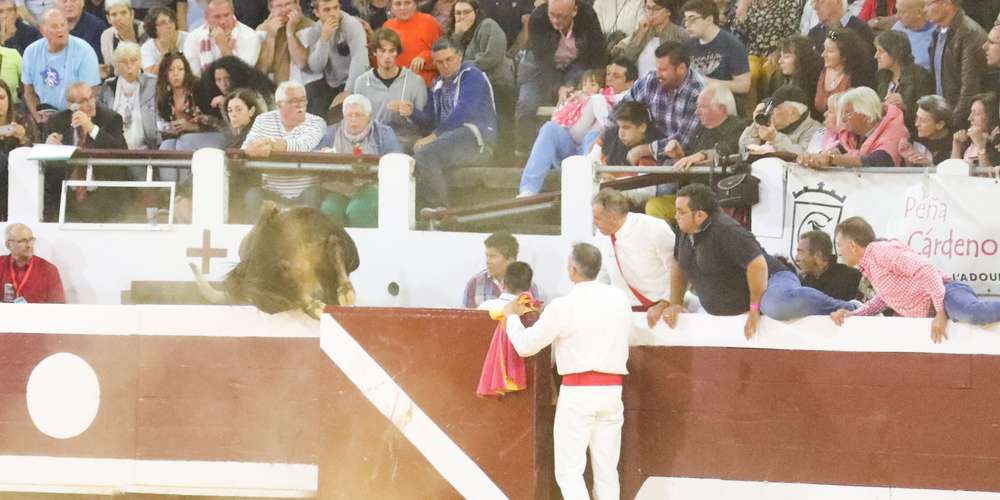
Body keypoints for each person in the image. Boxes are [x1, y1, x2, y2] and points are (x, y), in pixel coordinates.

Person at [502, 242, 649, 500]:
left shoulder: (564, 305)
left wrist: (512, 317)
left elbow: (525, 346)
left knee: (569, 472)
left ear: (572, 269)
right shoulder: (619, 300)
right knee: (606, 471)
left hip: (578, 391)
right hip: (613, 391)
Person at [656, 183, 858, 338]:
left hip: (771, 280)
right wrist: (675, 303)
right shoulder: (685, 231)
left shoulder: (726, 231)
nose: (676, 216)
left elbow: (757, 265)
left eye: (681, 212)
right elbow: (679, 263)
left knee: (777, 305)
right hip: (731, 303)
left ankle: (853, 308)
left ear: (699, 215)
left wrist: (754, 308)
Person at [831, 216, 1000, 343]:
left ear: (852, 245)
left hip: (947, 293)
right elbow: (883, 299)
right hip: (939, 300)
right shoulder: (871, 262)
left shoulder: (879, 251)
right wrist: (854, 314)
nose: (838, 250)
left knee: (974, 313)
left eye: (839, 244)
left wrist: (940, 313)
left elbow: (926, 269)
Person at [517, 58, 638, 197]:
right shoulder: (596, 93)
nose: (609, 79)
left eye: (616, 76)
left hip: (596, 153)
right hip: (571, 147)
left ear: (630, 83)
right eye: (608, 74)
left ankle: (584, 190)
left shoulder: (630, 100)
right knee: (550, 128)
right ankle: (528, 190)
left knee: (595, 134)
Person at [411, 37, 496, 210]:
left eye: (449, 59)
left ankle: (439, 207)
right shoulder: (437, 83)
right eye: (439, 62)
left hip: (475, 138)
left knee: (426, 154)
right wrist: (411, 112)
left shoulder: (472, 75)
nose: (445, 65)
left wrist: (433, 136)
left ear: (460, 56)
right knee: (411, 151)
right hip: (449, 138)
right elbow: (430, 119)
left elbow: (464, 112)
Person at [514, 0, 606, 156]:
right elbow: (543, 60)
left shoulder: (588, 15)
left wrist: (595, 80)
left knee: (576, 99)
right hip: (538, 66)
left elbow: (597, 52)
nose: (556, 20)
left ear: (574, 11)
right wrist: (558, 87)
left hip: (575, 64)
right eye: (552, 15)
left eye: (562, 17)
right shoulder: (538, 17)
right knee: (526, 103)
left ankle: (571, 152)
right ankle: (523, 153)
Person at [44, 82, 130, 222]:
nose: (90, 104)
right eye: (83, 101)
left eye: (91, 98)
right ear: (71, 105)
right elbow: (45, 161)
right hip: (66, 194)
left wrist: (91, 128)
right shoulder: (56, 121)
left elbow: (119, 151)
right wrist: (48, 146)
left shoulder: (111, 118)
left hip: (103, 193)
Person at [242, 80, 327, 215]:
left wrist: (269, 142)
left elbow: (302, 145)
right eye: (294, 101)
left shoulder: (317, 122)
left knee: (314, 195)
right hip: (272, 191)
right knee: (253, 195)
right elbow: (247, 148)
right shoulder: (263, 120)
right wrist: (254, 147)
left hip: (306, 192)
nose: (300, 105)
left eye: (303, 100)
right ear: (279, 105)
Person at [316, 94, 402, 227]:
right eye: (349, 115)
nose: (353, 120)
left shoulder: (384, 133)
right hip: (339, 186)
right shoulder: (331, 133)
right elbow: (315, 157)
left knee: (358, 210)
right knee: (329, 208)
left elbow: (396, 159)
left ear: (369, 116)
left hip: (372, 185)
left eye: (358, 115)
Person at [591, 188, 677, 318]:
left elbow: (679, 270)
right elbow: (602, 274)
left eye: (597, 219)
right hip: (623, 310)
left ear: (613, 218)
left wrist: (666, 302)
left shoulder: (655, 229)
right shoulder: (601, 234)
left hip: (660, 309)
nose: (594, 223)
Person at [447, 0, 513, 159]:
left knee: (502, 125)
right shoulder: (457, 35)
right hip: (474, 88)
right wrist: (457, 35)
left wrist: (465, 66)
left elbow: (492, 56)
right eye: (458, 13)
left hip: (497, 83)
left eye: (466, 12)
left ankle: (504, 160)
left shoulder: (488, 25)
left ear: (476, 12)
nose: (461, 16)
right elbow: (449, 59)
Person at [622, 41, 706, 166]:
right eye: (657, 68)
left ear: (681, 69)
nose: (658, 74)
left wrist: (643, 150)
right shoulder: (652, 79)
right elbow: (625, 105)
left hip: (680, 155)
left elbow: (684, 141)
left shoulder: (697, 93)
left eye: (663, 70)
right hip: (650, 137)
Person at [352, 27, 427, 152]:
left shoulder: (415, 82)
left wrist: (412, 113)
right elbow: (358, 119)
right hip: (373, 140)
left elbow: (425, 123)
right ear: (374, 52)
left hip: (406, 140)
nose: (387, 56)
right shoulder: (362, 82)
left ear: (397, 52)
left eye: (392, 51)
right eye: (382, 51)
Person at [21, 9, 101, 123]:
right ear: (43, 31)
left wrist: (62, 121)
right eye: (54, 26)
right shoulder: (31, 52)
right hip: (44, 120)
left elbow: (91, 93)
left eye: (63, 25)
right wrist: (38, 119)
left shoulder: (84, 51)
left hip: (77, 118)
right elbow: (28, 92)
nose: (60, 30)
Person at [800, 86, 909, 167]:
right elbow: (838, 151)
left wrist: (832, 159)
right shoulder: (854, 134)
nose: (843, 119)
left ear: (867, 116)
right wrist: (818, 157)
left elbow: (877, 162)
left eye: (848, 113)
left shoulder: (894, 132)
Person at [300, 0, 369, 119]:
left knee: (339, 111)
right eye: (327, 10)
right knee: (309, 91)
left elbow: (360, 61)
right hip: (332, 83)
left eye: (335, 8)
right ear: (317, 12)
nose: (333, 13)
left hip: (356, 82)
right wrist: (324, 39)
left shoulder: (352, 25)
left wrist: (348, 91)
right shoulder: (315, 30)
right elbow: (316, 67)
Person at [926, 0, 986, 130]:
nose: (925, 9)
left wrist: (953, 123)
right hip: (945, 115)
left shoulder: (969, 33)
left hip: (963, 121)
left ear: (947, 4)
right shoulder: (937, 32)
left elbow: (970, 87)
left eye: (928, 3)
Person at [729, 0, 801, 111]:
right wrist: (742, 11)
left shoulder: (790, 3)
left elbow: (793, 32)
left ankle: (770, 112)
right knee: (750, 75)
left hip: (778, 52)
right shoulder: (748, 3)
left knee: (772, 73)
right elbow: (737, 36)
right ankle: (751, 117)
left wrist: (779, 51)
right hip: (754, 53)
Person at [660, 81, 747, 171]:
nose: (696, 112)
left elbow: (723, 152)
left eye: (702, 107)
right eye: (697, 106)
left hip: (717, 182)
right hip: (693, 181)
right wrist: (679, 155)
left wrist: (702, 155)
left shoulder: (738, 127)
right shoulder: (700, 128)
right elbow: (690, 162)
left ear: (721, 108)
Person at [681, 0, 751, 98]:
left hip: (723, 102)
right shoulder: (688, 45)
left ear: (709, 20)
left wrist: (707, 82)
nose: (686, 25)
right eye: (685, 20)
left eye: (692, 19)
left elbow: (744, 86)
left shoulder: (732, 44)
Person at [98, 41, 158, 151]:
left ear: (140, 62)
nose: (129, 66)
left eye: (133, 60)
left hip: (147, 149)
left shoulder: (153, 84)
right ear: (117, 65)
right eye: (124, 62)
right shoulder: (108, 87)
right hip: (114, 150)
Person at [156, 51, 218, 151]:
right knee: (165, 147)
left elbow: (217, 123)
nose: (176, 74)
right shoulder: (164, 96)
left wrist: (192, 126)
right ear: (165, 74)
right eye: (171, 70)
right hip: (180, 139)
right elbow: (163, 125)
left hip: (208, 136)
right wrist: (171, 130)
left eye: (180, 69)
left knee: (184, 141)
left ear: (186, 71)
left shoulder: (199, 89)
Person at [874, 30, 933, 133]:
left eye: (881, 51)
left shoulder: (920, 76)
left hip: (912, 136)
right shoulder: (882, 75)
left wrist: (905, 107)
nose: (876, 56)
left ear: (895, 52)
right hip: (886, 133)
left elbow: (930, 117)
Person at [182, 0, 262, 76]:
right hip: (204, 87)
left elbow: (242, 74)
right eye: (217, 17)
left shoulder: (249, 36)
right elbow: (194, 76)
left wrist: (223, 46)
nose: (222, 21)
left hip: (239, 88)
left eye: (226, 15)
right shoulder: (193, 38)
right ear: (206, 17)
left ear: (233, 13)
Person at [463, 231, 540, 308]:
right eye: (487, 256)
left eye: (493, 256)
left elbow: (533, 317)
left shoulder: (528, 286)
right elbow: (464, 318)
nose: (488, 261)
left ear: (510, 260)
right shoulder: (475, 283)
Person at [741, 85, 824, 156]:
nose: (769, 113)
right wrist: (756, 127)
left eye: (773, 109)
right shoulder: (770, 127)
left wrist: (775, 139)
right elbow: (744, 152)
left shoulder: (816, 130)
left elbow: (803, 155)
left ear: (792, 113)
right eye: (769, 108)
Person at [613, 0, 686, 77]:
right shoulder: (642, 31)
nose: (651, 13)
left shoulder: (680, 34)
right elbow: (626, 61)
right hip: (641, 85)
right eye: (648, 8)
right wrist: (639, 36)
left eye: (656, 9)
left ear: (668, 11)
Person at [0, 80, 38, 222]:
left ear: (9, 99)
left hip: (20, 183)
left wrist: (22, 137)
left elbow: (37, 152)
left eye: (2, 98)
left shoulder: (23, 120)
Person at [814, 28, 875, 114]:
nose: (823, 54)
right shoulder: (820, 69)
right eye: (824, 49)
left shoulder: (859, 76)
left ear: (845, 55)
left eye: (830, 51)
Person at [382, 0, 442, 87]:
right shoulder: (387, 26)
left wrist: (425, 56)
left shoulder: (429, 22)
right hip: (396, 84)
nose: (403, 8)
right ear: (391, 7)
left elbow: (443, 53)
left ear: (415, 4)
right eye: (398, 4)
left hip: (425, 84)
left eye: (407, 3)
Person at [197, 55, 275, 121]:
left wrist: (226, 105)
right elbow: (231, 132)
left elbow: (255, 125)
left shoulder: (254, 93)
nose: (223, 84)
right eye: (218, 80)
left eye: (227, 78)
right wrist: (210, 121)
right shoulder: (222, 96)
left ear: (236, 77)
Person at [2, 223, 65, 303]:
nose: (29, 245)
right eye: (23, 241)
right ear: (8, 245)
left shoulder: (49, 270)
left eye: (31, 240)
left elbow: (58, 306)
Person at [255, 0, 313, 85]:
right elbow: (261, 70)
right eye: (279, 6)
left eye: (288, 4)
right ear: (271, 8)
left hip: (306, 87)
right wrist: (270, 37)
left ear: (297, 3)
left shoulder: (310, 27)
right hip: (275, 89)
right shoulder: (262, 30)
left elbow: (303, 64)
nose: (284, 10)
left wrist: (290, 32)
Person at [765, 35, 824, 117]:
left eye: (786, 57)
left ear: (802, 58)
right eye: (781, 56)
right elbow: (771, 103)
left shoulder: (815, 84)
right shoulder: (775, 79)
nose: (780, 61)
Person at [795, 229, 861, 302]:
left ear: (818, 255)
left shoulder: (852, 277)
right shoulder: (804, 283)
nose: (796, 258)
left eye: (801, 252)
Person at [898, 94, 952, 165]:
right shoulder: (911, 140)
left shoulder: (955, 146)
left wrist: (930, 166)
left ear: (939, 125)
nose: (916, 124)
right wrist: (907, 159)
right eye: (917, 118)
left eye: (922, 120)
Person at [100, 0, 147, 78]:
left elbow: (147, 65)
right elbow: (112, 68)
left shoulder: (145, 30)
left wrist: (131, 38)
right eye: (114, 14)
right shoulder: (106, 36)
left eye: (123, 13)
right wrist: (107, 71)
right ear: (108, 19)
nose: (119, 18)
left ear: (132, 14)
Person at [951, 93, 999, 167]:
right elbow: (952, 172)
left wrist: (981, 147)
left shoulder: (997, 143)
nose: (970, 118)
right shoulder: (967, 140)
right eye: (971, 112)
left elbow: (988, 177)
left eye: (976, 114)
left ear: (991, 117)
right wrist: (956, 145)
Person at [808, 0, 875, 52]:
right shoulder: (814, 33)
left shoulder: (860, 30)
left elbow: (869, 65)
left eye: (820, 1)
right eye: (813, 2)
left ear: (837, 1)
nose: (815, 7)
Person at [139, 5, 186, 75]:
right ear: (153, 28)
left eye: (171, 21)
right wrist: (165, 52)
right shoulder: (146, 48)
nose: (169, 26)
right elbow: (151, 75)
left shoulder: (188, 38)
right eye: (163, 23)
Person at [891, 0, 934, 71]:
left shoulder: (938, 32)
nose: (897, 17)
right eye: (896, 10)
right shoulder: (897, 29)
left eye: (902, 12)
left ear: (918, 12)